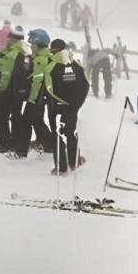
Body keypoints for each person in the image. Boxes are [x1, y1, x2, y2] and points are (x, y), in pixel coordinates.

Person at [10, 29, 56, 159]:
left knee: (26, 122)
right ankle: (50, 145)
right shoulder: (48, 56)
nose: (31, 46)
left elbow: (37, 81)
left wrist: (31, 98)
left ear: (39, 44)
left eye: (33, 44)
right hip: (44, 96)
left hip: (37, 97)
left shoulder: (40, 59)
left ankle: (21, 151)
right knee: (37, 121)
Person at [47, 39, 90, 174]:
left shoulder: (51, 66)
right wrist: (77, 104)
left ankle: (61, 167)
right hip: (73, 107)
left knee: (58, 135)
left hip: (57, 107)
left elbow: (48, 89)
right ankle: (74, 161)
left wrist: (58, 102)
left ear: (53, 50)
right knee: (71, 132)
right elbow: (86, 85)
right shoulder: (77, 64)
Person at [0, 25, 28, 153]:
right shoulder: (19, 51)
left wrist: (1, 61)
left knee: (3, 117)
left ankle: (5, 143)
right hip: (15, 89)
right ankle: (13, 142)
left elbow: (3, 69)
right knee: (14, 116)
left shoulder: (15, 53)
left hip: (7, 88)